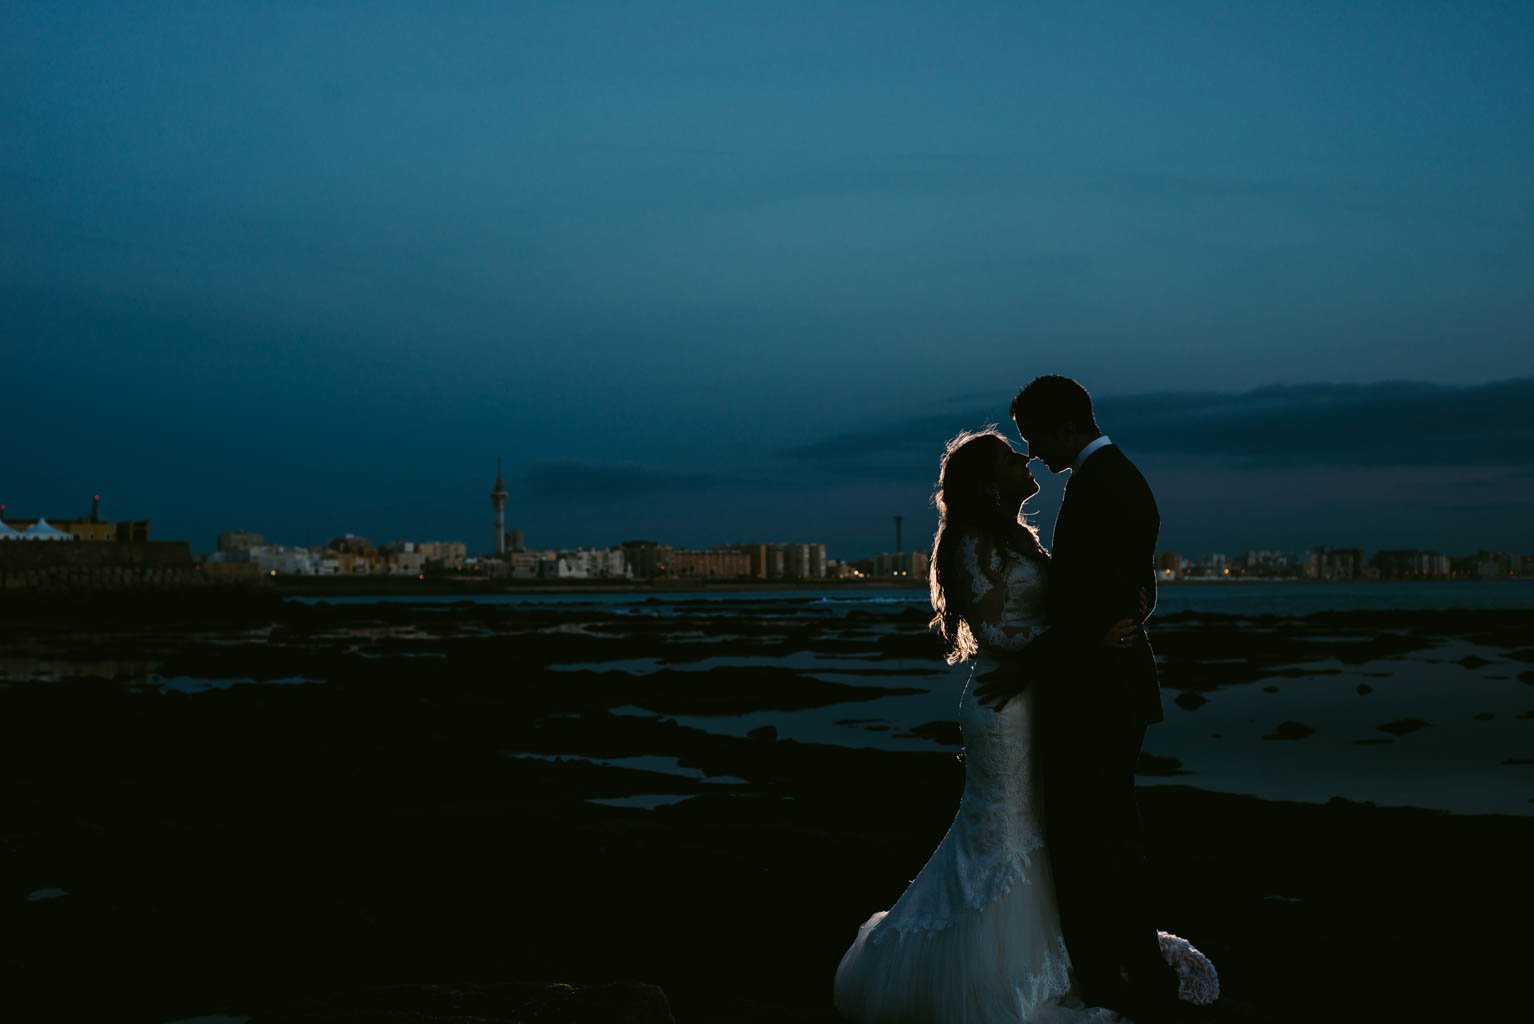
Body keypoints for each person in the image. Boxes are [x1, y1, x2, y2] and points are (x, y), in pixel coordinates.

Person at [832, 428, 1216, 1023]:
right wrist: (1088, 637)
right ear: (988, 484)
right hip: (1003, 707)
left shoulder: (1015, 537)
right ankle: (994, 974)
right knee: (1003, 831)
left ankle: (1058, 954)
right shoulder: (967, 543)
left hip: (1038, 699)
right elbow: (997, 635)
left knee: (1037, 826)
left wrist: (1109, 615)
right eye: (1013, 458)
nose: (1027, 458)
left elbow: (1062, 605)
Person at [974, 375, 1195, 1022]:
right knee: (1103, 836)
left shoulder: (1108, 484)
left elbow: (1110, 588)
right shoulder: (1111, 479)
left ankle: (1115, 977)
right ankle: (1126, 968)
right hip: (1101, 684)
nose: (1034, 453)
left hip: (1100, 695)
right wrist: (1121, 615)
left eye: (1035, 438)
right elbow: (1130, 583)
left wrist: (1036, 663)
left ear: (1065, 425)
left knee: (1091, 841)